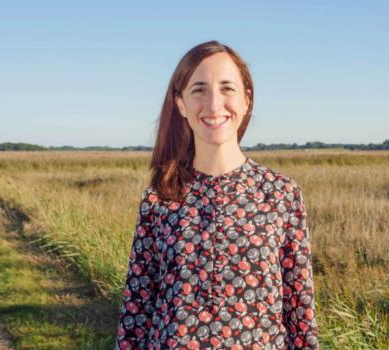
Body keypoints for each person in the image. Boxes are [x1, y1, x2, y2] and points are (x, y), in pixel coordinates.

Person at [115, 40, 319, 350]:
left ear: (246, 100)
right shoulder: (158, 198)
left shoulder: (281, 194)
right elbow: (137, 308)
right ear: (181, 103)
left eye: (227, 88)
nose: (213, 105)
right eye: (199, 90)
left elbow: (299, 310)